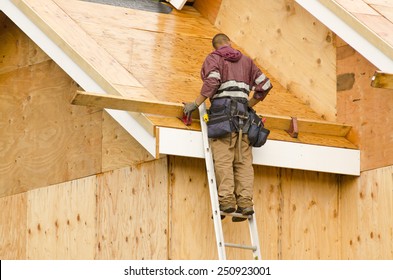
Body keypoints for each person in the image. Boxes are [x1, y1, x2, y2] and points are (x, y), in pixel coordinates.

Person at [184, 33, 272, 222]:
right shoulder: (247, 62)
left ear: (215, 46)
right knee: (243, 163)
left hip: (222, 119)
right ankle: (246, 203)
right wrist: (249, 105)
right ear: (229, 44)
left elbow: (212, 81)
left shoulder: (214, 58)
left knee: (223, 160)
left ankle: (227, 202)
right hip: (244, 121)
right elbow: (265, 85)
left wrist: (195, 103)